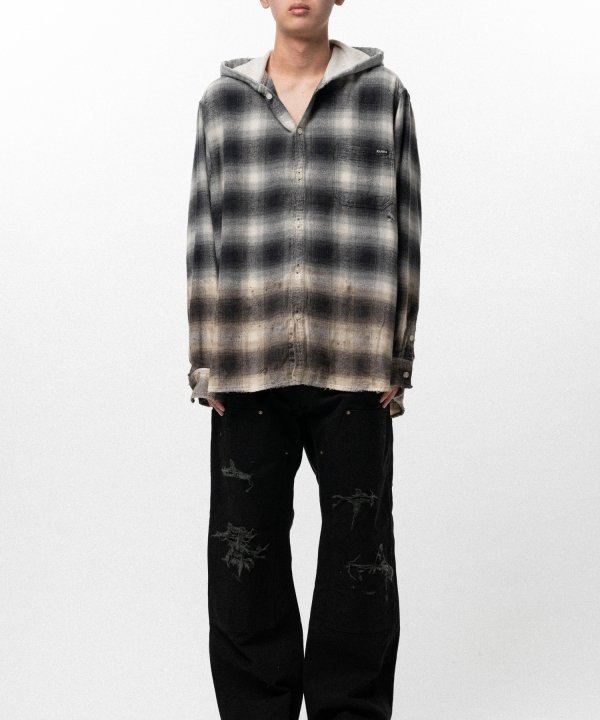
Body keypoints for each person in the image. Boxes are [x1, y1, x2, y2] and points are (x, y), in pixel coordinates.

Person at [186, 1, 422, 717]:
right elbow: (204, 232)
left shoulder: (384, 95)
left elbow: (409, 229)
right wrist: (206, 360)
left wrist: (398, 358)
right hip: (247, 361)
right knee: (244, 556)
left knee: (360, 557)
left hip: (354, 360)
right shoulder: (222, 102)